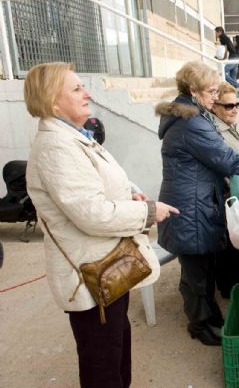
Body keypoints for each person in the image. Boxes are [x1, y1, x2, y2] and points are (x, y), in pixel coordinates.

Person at [23, 62, 178, 387]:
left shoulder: (74, 138)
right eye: (76, 88)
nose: (86, 92)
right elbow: (92, 213)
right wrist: (148, 212)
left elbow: (101, 190)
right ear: (53, 102)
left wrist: (131, 196)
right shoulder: (56, 147)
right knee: (103, 369)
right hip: (92, 278)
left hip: (108, 271)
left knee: (115, 355)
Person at [155, 61, 239, 346]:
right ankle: (201, 325)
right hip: (191, 205)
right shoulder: (192, 122)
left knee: (199, 267)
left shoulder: (191, 115)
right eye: (211, 91)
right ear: (193, 91)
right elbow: (226, 159)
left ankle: (209, 318)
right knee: (197, 272)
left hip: (193, 199)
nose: (216, 97)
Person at [210, 82, 239, 297]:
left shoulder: (228, 126)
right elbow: (227, 163)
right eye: (228, 106)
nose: (234, 109)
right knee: (226, 245)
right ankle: (230, 287)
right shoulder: (216, 131)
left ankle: (233, 283)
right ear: (214, 106)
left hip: (232, 192)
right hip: (224, 195)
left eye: (237, 104)